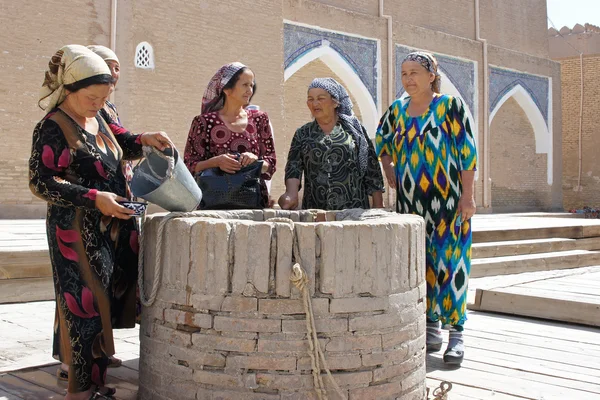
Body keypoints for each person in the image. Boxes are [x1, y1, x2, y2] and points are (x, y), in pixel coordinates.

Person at [30, 44, 173, 400]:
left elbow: (121, 141)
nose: (98, 103)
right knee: (84, 310)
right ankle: (79, 393)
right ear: (70, 90)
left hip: (113, 228)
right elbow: (42, 180)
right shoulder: (53, 126)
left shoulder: (99, 117)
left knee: (104, 305)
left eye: (103, 97)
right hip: (76, 233)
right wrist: (96, 199)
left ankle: (93, 386)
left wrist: (144, 139)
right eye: (91, 97)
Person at [375, 52, 477, 365]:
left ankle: (456, 335)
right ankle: (430, 327)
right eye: (404, 73)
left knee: (451, 263)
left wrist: (468, 197)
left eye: (415, 72)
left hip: (448, 203)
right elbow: (381, 141)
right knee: (421, 263)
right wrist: (388, 165)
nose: (408, 79)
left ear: (431, 75)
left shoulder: (449, 106)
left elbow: (467, 152)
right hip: (411, 204)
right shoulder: (397, 110)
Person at [278, 78, 384, 210]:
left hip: (353, 210)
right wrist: (291, 194)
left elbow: (372, 169)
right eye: (310, 99)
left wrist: (378, 205)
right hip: (316, 211)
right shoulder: (303, 133)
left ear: (335, 102)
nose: (315, 103)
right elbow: (293, 168)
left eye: (320, 98)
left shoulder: (355, 131)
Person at [184, 62, 276, 207]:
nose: (250, 91)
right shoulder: (203, 122)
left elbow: (270, 164)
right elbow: (189, 165)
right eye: (245, 85)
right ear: (227, 89)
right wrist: (216, 162)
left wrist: (255, 160)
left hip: (254, 203)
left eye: (251, 85)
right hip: (212, 205)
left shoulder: (260, 119)